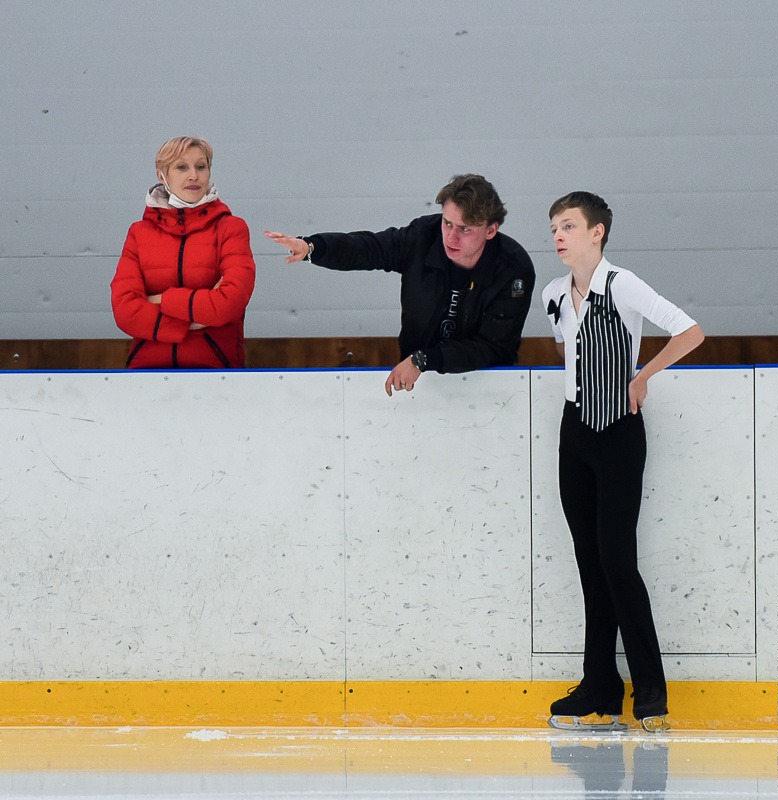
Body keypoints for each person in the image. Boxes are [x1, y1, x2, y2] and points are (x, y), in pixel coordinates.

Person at [542, 191, 704, 732]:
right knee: (588, 561)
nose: (558, 235)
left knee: (617, 559)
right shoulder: (552, 294)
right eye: (554, 227)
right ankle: (601, 687)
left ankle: (651, 689)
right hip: (574, 432)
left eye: (569, 225)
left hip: (618, 432)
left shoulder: (622, 283)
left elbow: (690, 331)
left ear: (598, 232)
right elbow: (566, 348)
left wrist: (641, 375)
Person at [264, 174, 535, 395]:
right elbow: (369, 248)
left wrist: (424, 359)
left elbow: (492, 347)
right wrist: (313, 248)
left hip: (487, 386)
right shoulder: (423, 237)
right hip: (418, 380)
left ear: (491, 230)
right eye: (447, 223)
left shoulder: (513, 269)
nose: (451, 237)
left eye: (465, 229)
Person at [111, 137, 256, 369]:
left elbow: (230, 303)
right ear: (162, 176)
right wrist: (195, 319)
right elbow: (125, 311)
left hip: (216, 373)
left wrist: (159, 300)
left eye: (201, 166)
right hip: (146, 373)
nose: (193, 176)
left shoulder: (231, 229)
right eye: (181, 167)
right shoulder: (139, 233)